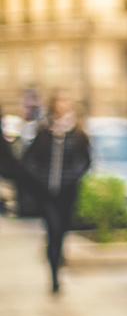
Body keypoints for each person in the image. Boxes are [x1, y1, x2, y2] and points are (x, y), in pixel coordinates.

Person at [23, 90, 91, 293]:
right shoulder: (44, 131)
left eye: (66, 101)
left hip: (67, 192)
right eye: (60, 101)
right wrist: (39, 179)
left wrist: (73, 176)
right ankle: (54, 275)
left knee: (62, 231)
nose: (63, 105)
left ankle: (56, 260)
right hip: (47, 193)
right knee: (52, 229)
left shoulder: (77, 131)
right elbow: (29, 158)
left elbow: (85, 160)